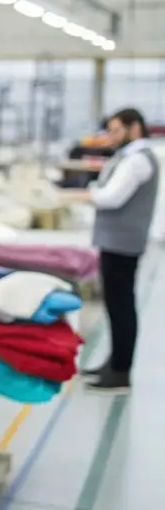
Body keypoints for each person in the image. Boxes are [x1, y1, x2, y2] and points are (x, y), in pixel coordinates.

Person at [82, 108, 159, 393]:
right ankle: (114, 362)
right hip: (118, 241)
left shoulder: (138, 160)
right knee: (115, 306)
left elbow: (111, 197)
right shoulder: (129, 157)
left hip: (123, 243)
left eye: (115, 130)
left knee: (122, 306)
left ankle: (121, 370)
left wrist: (89, 192)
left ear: (134, 128)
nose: (111, 137)